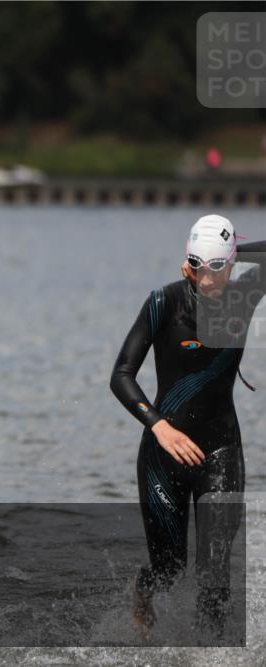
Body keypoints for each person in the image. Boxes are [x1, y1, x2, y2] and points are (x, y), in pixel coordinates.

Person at [110, 214, 265, 640]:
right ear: (186, 265)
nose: (206, 276)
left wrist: (232, 250)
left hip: (220, 451)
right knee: (170, 569)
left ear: (231, 265)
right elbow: (121, 374)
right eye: (197, 264)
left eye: (216, 267)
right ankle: (142, 592)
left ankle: (207, 653)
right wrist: (159, 426)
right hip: (164, 454)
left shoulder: (245, 296)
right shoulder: (164, 303)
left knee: (215, 569)